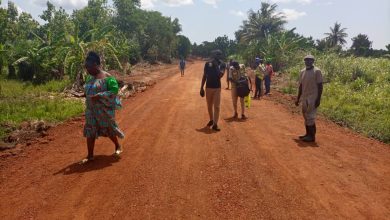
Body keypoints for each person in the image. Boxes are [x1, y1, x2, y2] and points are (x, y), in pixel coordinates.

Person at [81, 51, 125, 163]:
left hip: (103, 110)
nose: (87, 69)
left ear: (96, 64)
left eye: (89, 67)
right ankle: (90, 155)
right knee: (90, 130)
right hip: (91, 110)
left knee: (109, 128)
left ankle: (117, 146)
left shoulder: (107, 77)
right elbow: (87, 90)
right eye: (86, 67)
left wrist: (100, 95)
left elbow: (114, 91)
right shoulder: (89, 79)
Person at [295, 55, 323, 142]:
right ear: (304, 61)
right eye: (306, 60)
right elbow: (301, 86)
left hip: (313, 97)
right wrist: (298, 98)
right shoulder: (302, 71)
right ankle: (307, 134)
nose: (308, 62)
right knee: (305, 116)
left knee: (310, 116)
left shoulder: (317, 71)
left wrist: (318, 99)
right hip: (305, 97)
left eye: (310, 60)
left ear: (313, 61)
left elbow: (320, 86)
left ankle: (312, 137)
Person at [200, 49, 226, 131]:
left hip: (217, 88)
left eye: (219, 54)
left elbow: (220, 75)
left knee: (217, 106)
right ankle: (211, 119)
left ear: (220, 55)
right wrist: (201, 87)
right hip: (208, 87)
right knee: (209, 105)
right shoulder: (207, 64)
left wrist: (215, 66)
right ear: (214, 55)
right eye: (216, 54)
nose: (218, 55)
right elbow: (204, 76)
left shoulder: (222, 64)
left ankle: (215, 124)